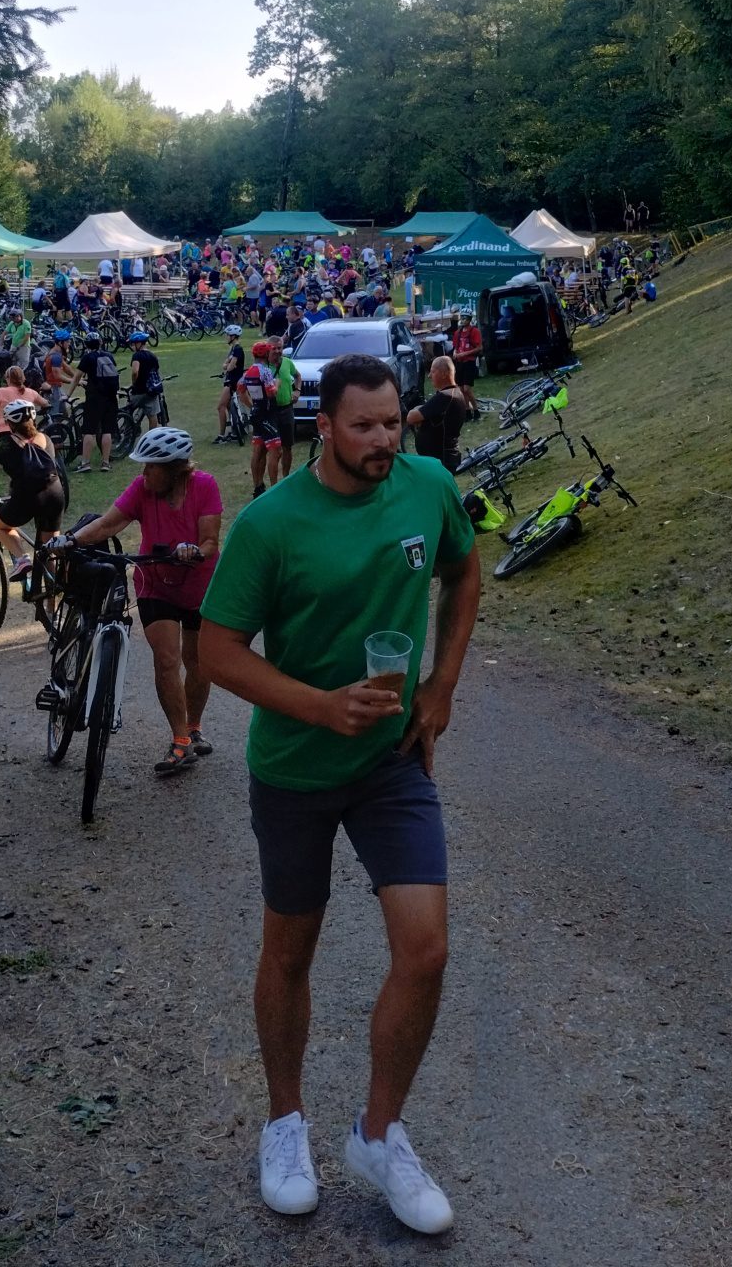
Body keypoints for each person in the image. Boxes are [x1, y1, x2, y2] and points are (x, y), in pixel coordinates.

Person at [199, 353, 481, 1233]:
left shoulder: (428, 487)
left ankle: (379, 1135)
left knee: (425, 951)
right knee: (291, 950)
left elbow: (464, 570)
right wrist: (320, 706)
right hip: (294, 768)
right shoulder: (271, 524)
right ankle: (284, 1125)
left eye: (393, 422)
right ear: (322, 428)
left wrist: (441, 686)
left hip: (390, 762)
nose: (383, 440)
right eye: (363, 426)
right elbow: (217, 650)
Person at [66, 426, 223, 777]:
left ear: (174, 470)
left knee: (197, 662)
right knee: (167, 660)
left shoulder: (205, 486)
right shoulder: (142, 489)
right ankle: (180, 740)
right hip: (155, 584)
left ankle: (194, 726)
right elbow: (107, 525)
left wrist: (194, 550)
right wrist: (70, 540)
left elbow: (211, 541)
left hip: (200, 586)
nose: (144, 472)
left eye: (151, 466)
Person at [0, 395, 65, 577]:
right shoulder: (46, 439)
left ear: (9, 423)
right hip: (55, 494)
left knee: (2, 527)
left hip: (27, 496)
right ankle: (57, 589)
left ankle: (22, 560)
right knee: (49, 550)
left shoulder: (4, 444)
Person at [405, 357, 468, 475]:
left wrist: (417, 411)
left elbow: (411, 417)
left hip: (440, 461)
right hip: (442, 458)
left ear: (444, 374)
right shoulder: (455, 393)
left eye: (433, 371)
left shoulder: (445, 397)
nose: (429, 376)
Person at [237, 339, 280, 497]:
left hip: (256, 412)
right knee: (275, 451)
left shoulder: (247, 372)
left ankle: (258, 487)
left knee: (258, 450)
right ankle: (275, 489)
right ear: (266, 354)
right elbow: (270, 393)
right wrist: (277, 384)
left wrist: (252, 406)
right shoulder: (265, 371)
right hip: (267, 413)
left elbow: (241, 391)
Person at [76, 331, 121, 472]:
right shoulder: (109, 356)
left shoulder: (88, 358)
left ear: (86, 345)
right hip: (110, 396)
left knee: (89, 431)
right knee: (107, 430)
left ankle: (85, 463)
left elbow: (77, 377)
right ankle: (105, 463)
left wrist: (68, 394)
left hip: (94, 397)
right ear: (100, 343)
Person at [270, 335, 301, 477]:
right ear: (268, 349)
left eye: (280, 348)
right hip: (270, 411)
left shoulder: (288, 362)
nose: (277, 351)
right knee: (274, 450)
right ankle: (274, 483)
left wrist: (297, 390)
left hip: (287, 409)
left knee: (287, 447)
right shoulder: (264, 365)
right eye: (274, 348)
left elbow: (298, 376)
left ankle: (286, 477)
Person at [128, 329, 165, 433]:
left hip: (139, 390)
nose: (132, 346)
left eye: (133, 344)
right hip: (151, 390)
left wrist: (133, 383)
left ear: (139, 343)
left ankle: (129, 427)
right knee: (152, 415)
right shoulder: (153, 356)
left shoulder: (137, 355)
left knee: (129, 408)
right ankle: (152, 435)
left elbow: (135, 371)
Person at [215, 324, 247, 441]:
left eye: (227, 335)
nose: (226, 337)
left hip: (232, 381)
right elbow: (226, 364)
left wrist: (227, 366)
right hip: (232, 379)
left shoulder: (237, 349)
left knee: (221, 406)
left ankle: (221, 435)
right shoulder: (233, 349)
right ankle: (234, 431)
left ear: (233, 336)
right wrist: (227, 365)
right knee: (229, 406)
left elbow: (230, 367)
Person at [450, 313, 482, 418]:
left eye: (465, 319)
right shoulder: (457, 333)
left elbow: (479, 348)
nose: (463, 320)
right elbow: (455, 346)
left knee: (467, 389)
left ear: (469, 320)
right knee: (461, 389)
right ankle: (467, 411)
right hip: (459, 362)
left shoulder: (475, 331)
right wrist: (455, 352)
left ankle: (476, 410)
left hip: (469, 362)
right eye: (462, 318)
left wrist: (465, 354)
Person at [43, 327, 77, 409]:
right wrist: (74, 381)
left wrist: (77, 378)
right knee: (55, 414)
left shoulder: (57, 352)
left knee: (64, 412)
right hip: (52, 389)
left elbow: (66, 367)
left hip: (57, 387)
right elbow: (58, 376)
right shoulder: (55, 356)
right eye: (67, 341)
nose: (69, 344)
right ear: (60, 343)